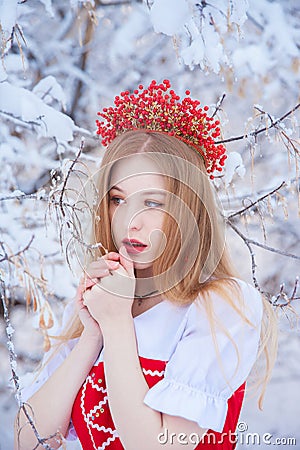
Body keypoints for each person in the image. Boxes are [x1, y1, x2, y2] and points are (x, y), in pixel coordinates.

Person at [15, 80, 277, 450]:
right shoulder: (106, 297)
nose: (129, 221)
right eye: (118, 199)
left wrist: (118, 326)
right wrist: (93, 333)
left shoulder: (222, 305)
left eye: (153, 203)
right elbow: (31, 440)